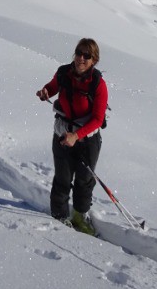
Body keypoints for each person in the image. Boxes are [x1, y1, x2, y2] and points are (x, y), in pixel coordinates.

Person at [36, 38, 108, 234]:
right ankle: (59, 216)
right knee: (63, 177)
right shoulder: (63, 73)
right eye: (79, 53)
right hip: (62, 133)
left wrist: (77, 136)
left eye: (87, 56)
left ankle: (79, 216)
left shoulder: (98, 85)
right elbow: (52, 86)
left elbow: (98, 119)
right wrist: (45, 92)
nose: (81, 58)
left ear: (94, 60)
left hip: (87, 139)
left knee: (84, 180)